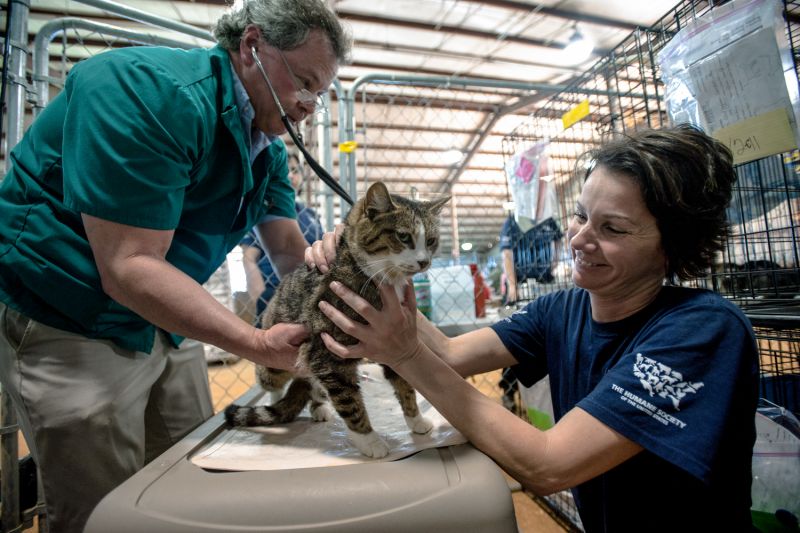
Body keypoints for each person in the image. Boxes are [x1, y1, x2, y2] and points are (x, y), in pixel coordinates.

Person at [0, 1, 350, 531]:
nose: (307, 105)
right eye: (303, 82)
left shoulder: (267, 149)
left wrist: (342, 266)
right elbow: (128, 265)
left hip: (164, 315)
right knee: (101, 507)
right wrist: (254, 343)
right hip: (69, 311)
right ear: (252, 47)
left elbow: (286, 250)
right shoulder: (148, 93)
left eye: (318, 95)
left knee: (191, 475)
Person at [310, 125, 760, 531]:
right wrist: (371, 266)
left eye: (613, 229)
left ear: (672, 246)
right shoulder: (564, 308)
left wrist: (405, 356)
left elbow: (550, 466)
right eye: (581, 215)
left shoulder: (702, 330)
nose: (580, 240)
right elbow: (448, 355)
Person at [240, 152, 325, 323]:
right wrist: (260, 296)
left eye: (295, 170)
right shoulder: (264, 205)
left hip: (306, 287)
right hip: (273, 288)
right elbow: (249, 258)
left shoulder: (310, 214)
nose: (291, 175)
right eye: (286, 170)